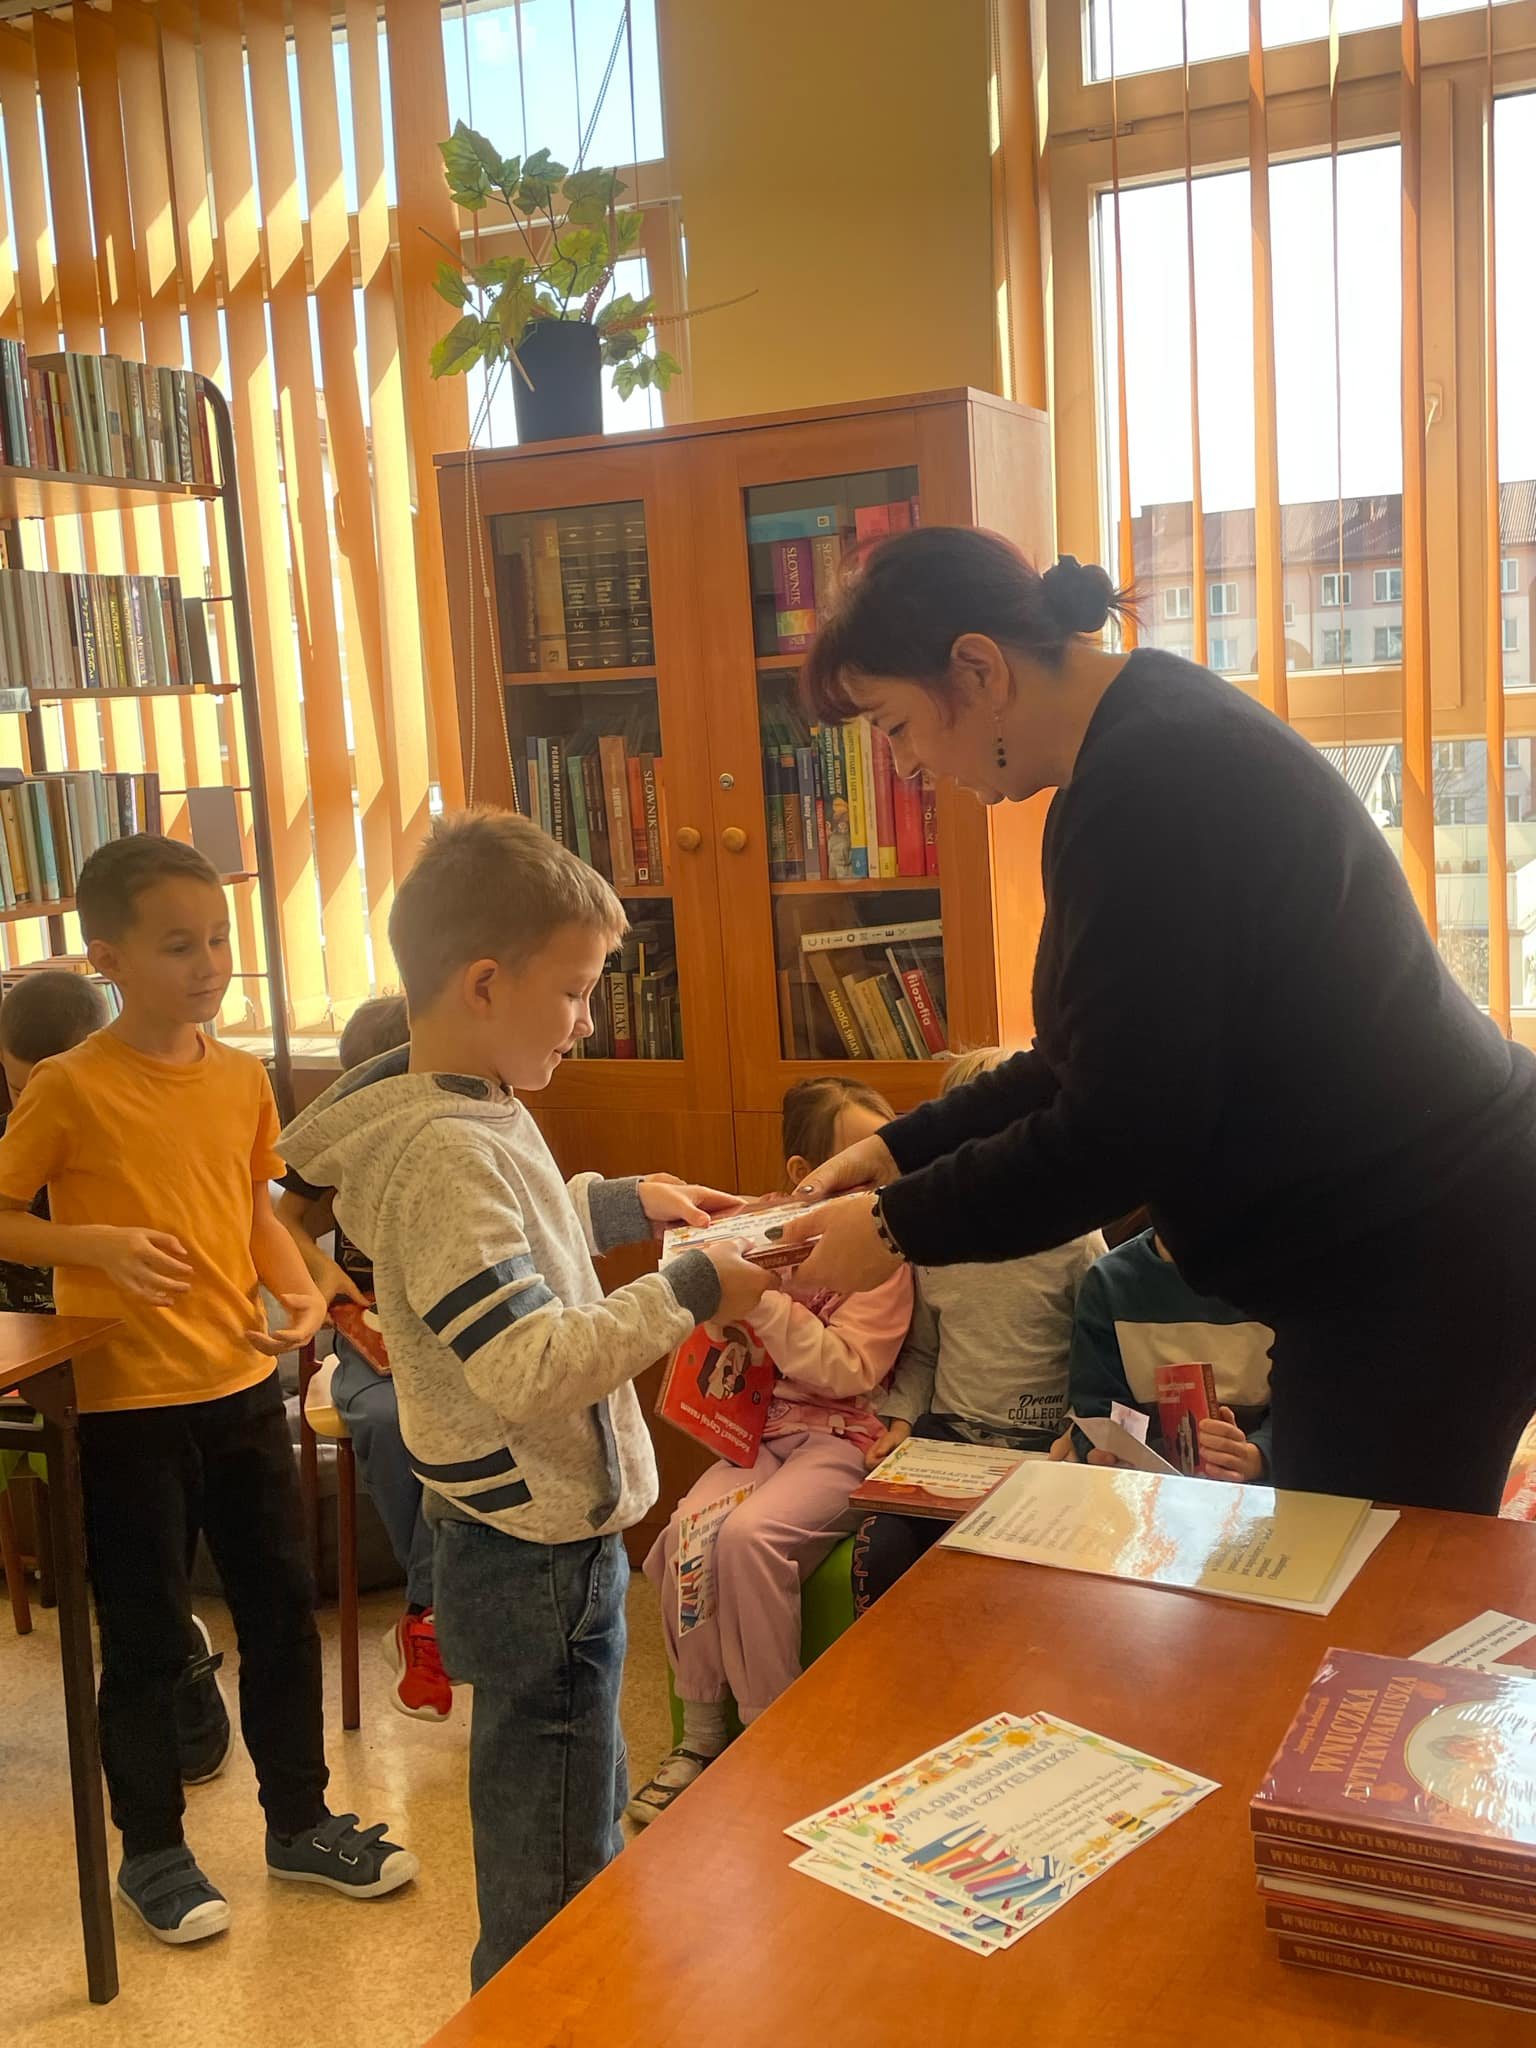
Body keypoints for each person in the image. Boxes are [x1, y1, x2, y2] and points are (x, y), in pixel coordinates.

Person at [781, 528, 1536, 1515]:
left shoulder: (1152, 778)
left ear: (978, 668)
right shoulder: (1129, 750)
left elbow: (1123, 1131)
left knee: (1365, 1587)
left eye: (896, 727)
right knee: (1345, 1571)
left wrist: (892, 1227)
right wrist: (898, 1148)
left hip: (1427, 1245)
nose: (907, 766)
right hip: (1407, 1233)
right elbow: (1085, 1056)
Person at [276, 808, 772, 1990]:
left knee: (573, 1807)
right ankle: (544, 2005)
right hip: (530, 1541)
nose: (588, 1020)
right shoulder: (446, 1149)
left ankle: (579, 1989)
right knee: (550, 1861)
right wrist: (691, 1288)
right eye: (577, 991)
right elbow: (529, 1361)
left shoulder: (470, 1101)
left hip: (542, 1527)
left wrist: (623, 1200)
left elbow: (515, 1239)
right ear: (486, 983)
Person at [0, 837, 417, 1947]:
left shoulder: (239, 1077)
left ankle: (300, 1822)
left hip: (238, 1390)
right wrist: (91, 1242)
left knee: (281, 1609)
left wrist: (302, 1296)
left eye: (219, 939)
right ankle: (152, 1851)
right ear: (108, 958)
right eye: (179, 944)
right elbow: (3, 1213)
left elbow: (251, 1212)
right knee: (145, 1635)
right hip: (125, 1405)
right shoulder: (69, 1084)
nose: (210, 963)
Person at [631, 1077, 914, 1824]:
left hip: (843, 1439)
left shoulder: (885, 1257)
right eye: (859, 1169)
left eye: (884, 1172)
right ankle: (700, 1735)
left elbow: (850, 1370)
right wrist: (712, 1288)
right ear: (804, 1173)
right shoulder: (757, 1233)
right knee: (690, 1531)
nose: (877, 1188)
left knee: (752, 1539)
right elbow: (715, 1344)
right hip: (756, 1434)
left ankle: (770, 1731)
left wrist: (759, 1303)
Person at [0, 968, 235, 1783]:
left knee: (134, 1544)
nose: (33, 1102)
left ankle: (173, 1650)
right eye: (18, 1086)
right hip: (24, 1357)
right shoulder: (21, 1134)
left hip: (124, 1366)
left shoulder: (136, 1118)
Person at [851, 1048, 1102, 1610]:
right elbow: (924, 1351)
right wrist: (901, 1420)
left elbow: (1096, 1353)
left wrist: (1075, 1430)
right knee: (877, 1553)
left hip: (1040, 1444)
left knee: (1010, 1579)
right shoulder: (933, 1245)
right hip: (947, 1437)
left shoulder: (1076, 1242)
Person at [276, 995, 450, 1719]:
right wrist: (321, 1273)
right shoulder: (337, 1138)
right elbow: (281, 1216)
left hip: (447, 1337)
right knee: (386, 1415)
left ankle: (427, 1612)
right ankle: (435, 1613)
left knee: (460, 1418)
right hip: (368, 1335)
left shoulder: (451, 1128)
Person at [1053, 1225, 1272, 1480]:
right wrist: (1098, 1448)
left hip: (1262, 1489)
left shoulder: (1284, 1277)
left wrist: (1259, 1455)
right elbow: (1096, 1407)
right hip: (1139, 1485)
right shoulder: (1109, 1282)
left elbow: (1303, 1409)